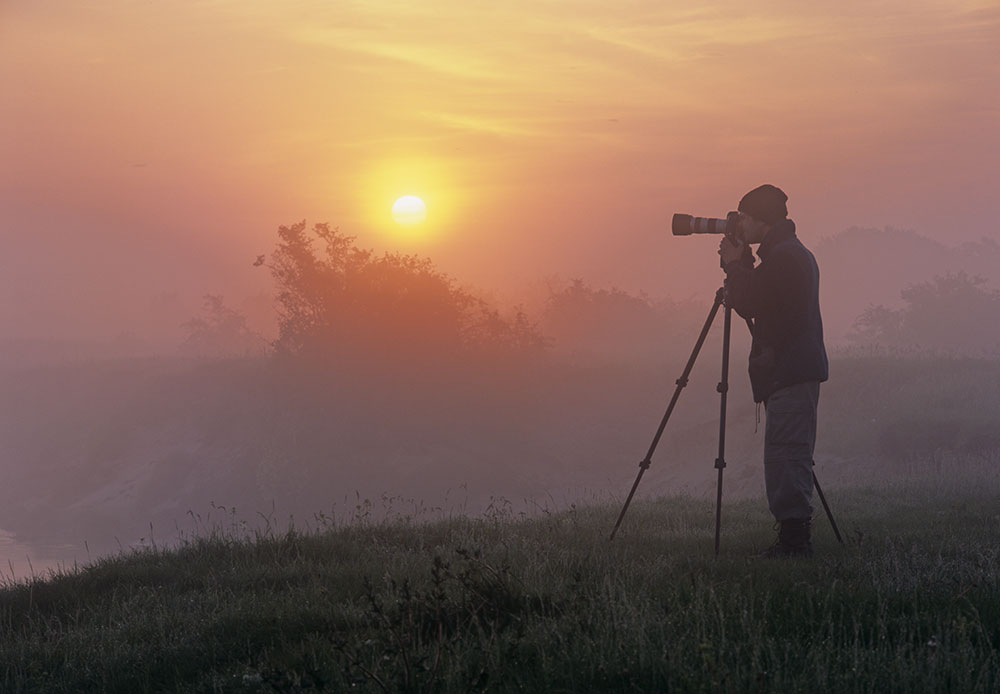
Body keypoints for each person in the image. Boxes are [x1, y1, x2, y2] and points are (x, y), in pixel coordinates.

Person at [718, 184, 829, 558]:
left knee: (787, 455)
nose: (740, 224)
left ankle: (795, 543)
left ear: (762, 220)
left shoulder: (784, 258)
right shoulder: (787, 253)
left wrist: (735, 265)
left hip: (791, 371)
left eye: (745, 218)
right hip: (793, 369)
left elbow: (749, 302)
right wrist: (744, 265)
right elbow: (763, 298)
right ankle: (793, 537)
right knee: (789, 452)